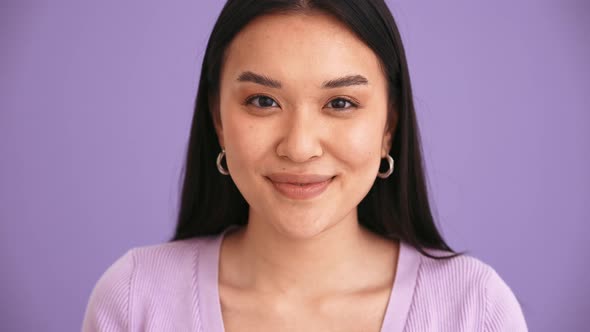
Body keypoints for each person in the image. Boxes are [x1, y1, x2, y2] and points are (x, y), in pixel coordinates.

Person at [82, 0, 528, 331]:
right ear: (218, 120)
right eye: (262, 101)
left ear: (388, 126)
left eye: (340, 102)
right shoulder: (135, 299)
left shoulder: (474, 309)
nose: (299, 147)